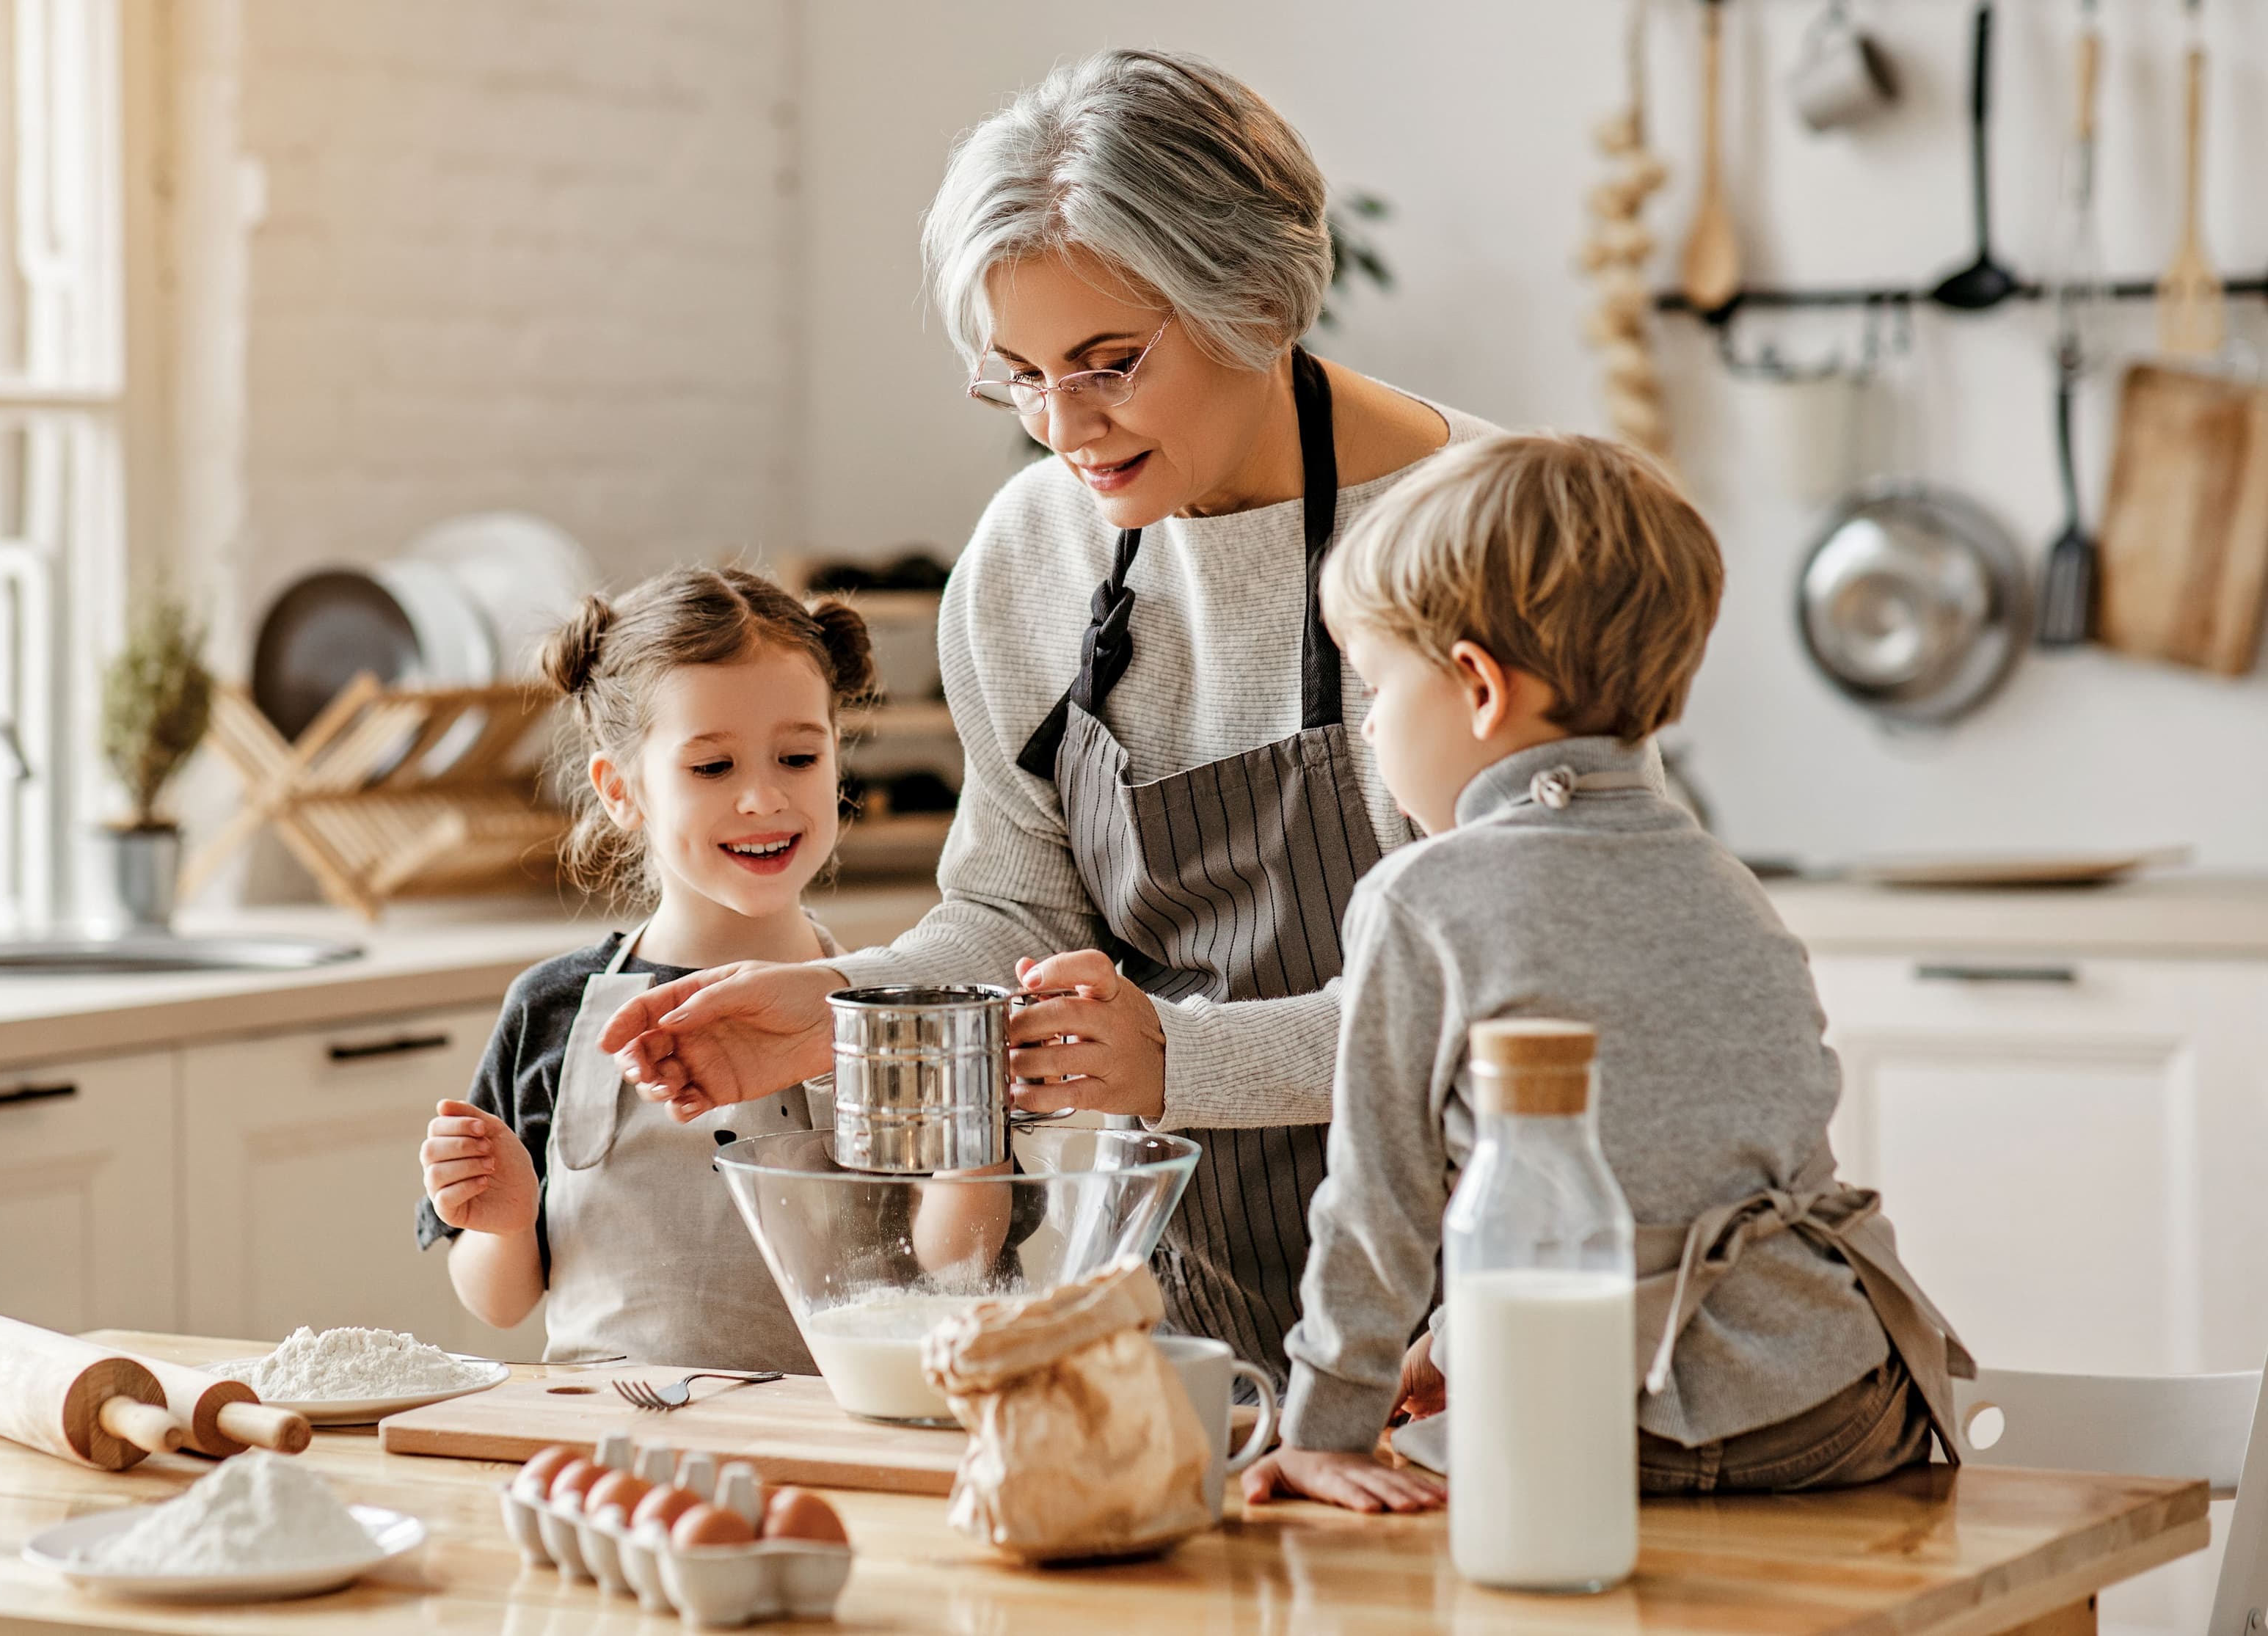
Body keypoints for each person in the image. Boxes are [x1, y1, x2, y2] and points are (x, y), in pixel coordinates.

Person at [595, 48, 1500, 1392]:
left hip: (1471, 1300)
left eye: (1109, 364)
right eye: (1016, 376)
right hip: (1181, 1309)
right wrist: (845, 1007)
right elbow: (1018, 918)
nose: (1064, 429)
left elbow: (1521, 989)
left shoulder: (1483, 527)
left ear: (1255, 294)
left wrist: (1176, 1058)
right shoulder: (1034, 552)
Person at [1243, 433, 1973, 1512]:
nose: (1375, 730)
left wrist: (1323, 1430)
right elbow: (1706, 1166)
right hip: (1844, 1401)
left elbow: (1379, 1206)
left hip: (1601, 1425)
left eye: (1377, 691)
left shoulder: (1422, 897)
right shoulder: (1722, 879)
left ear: (1478, 687)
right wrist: (1458, 1335)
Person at [414, 569, 875, 1371]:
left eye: (799, 756)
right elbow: (501, 1301)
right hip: (608, 1451)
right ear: (623, 790)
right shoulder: (551, 1006)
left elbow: (951, 1262)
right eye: (712, 768)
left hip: (826, 1446)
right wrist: (506, 1217)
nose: (765, 798)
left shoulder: (884, 1006)